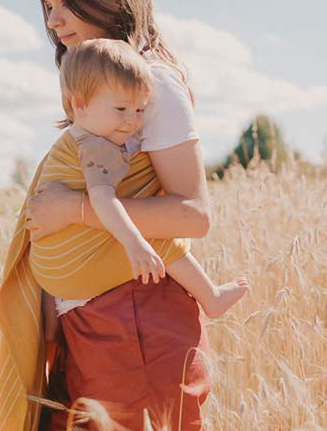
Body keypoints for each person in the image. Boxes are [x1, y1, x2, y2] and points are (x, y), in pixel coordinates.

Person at [0, 0, 243, 431]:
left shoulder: (153, 85)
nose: (54, 18)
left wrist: (73, 210)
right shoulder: (102, 90)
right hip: (93, 315)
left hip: (136, 318)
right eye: (47, 5)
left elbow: (193, 216)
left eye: (67, 0)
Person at [36, 37, 249, 322]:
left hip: (54, 273)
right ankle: (211, 298)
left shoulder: (75, 138)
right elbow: (102, 199)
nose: (133, 122)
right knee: (158, 238)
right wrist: (134, 243)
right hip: (71, 271)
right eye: (121, 110)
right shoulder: (97, 148)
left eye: (140, 110)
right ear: (80, 104)